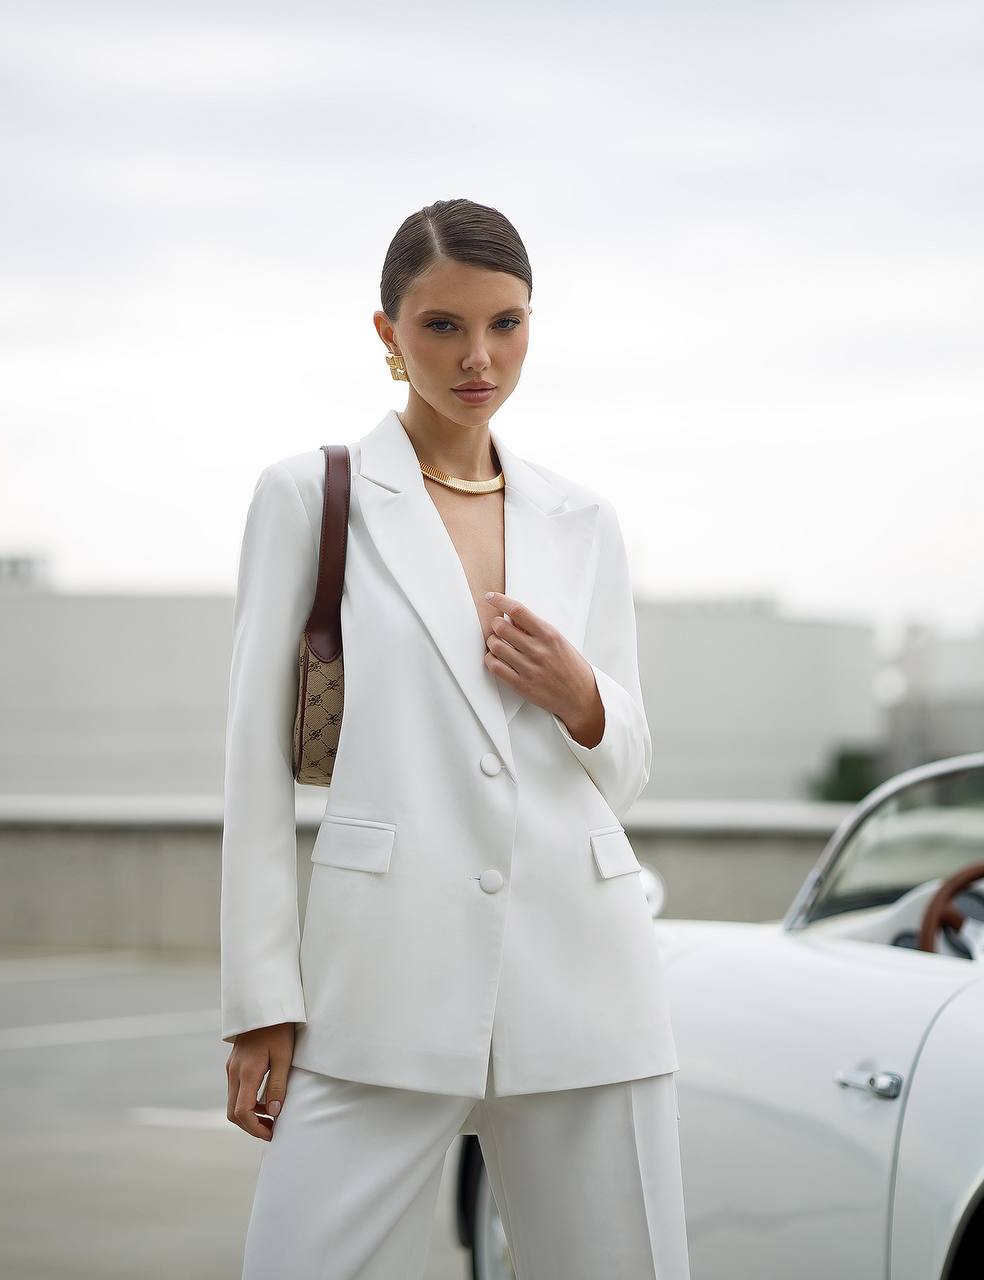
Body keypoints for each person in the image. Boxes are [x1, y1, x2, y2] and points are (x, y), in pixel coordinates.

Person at [221, 197, 691, 1279]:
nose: (478, 358)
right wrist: (260, 1003)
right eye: (442, 326)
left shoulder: (583, 519)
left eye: (504, 324)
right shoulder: (311, 498)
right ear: (387, 332)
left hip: (585, 978)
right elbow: (252, 764)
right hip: (379, 980)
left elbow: (624, 769)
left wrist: (583, 694)